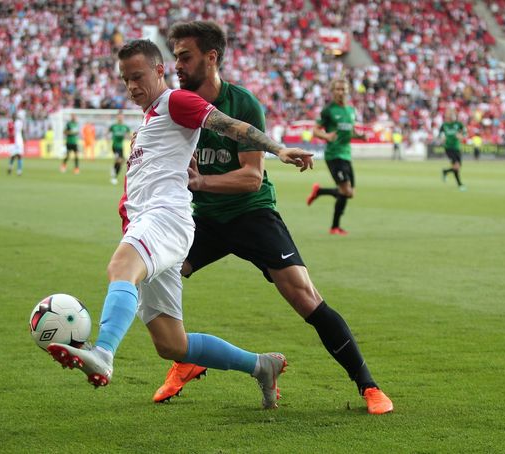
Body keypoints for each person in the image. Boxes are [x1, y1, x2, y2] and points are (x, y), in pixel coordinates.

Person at [46, 39, 313, 409]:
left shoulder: (175, 101)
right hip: (151, 222)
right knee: (172, 344)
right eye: (125, 80)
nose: (132, 86)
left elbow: (231, 125)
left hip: (166, 217)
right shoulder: (152, 116)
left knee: (121, 267)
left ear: (159, 71)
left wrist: (278, 149)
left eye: (138, 76)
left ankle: (104, 353)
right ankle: (261, 365)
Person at [151, 21, 393, 415]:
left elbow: (251, 178)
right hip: (204, 221)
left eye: (185, 56)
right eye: (175, 56)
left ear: (211, 58)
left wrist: (200, 181)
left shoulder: (242, 104)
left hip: (252, 214)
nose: (177, 64)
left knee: (302, 294)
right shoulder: (178, 105)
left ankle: (369, 386)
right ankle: (186, 359)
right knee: (160, 279)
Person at [307, 78, 364, 236]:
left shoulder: (351, 110)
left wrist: (360, 136)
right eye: (337, 89)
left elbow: (350, 131)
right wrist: (326, 136)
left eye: (343, 89)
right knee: (346, 190)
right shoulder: (329, 110)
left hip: (346, 154)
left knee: (349, 192)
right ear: (333, 91)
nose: (340, 92)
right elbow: (315, 130)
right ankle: (334, 227)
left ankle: (320, 193)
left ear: (347, 91)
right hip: (333, 155)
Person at [438, 109, 466, 190]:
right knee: (456, 166)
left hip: (457, 147)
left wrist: (461, 135)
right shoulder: (444, 125)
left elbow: (464, 132)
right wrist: (442, 138)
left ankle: (445, 171)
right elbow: (440, 134)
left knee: (458, 166)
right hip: (448, 148)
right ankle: (460, 185)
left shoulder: (458, 124)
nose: (449, 117)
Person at [107, 111, 131, 185]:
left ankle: (114, 171)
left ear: (123, 117)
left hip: (121, 147)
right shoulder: (113, 126)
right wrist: (107, 139)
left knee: (121, 162)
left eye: (121, 116)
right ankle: (114, 177)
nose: (120, 117)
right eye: (119, 116)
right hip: (115, 146)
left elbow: (128, 135)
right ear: (117, 117)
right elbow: (107, 132)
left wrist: (131, 137)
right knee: (119, 160)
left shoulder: (125, 127)